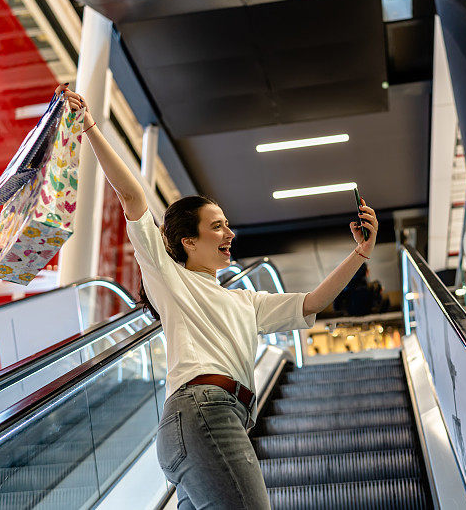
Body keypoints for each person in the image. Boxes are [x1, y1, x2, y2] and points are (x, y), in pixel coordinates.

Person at [56, 84, 379, 509]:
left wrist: (361, 252)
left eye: (228, 225)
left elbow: (313, 302)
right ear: (188, 241)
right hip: (205, 413)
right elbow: (132, 197)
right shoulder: (169, 277)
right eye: (218, 226)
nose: (230, 234)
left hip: (211, 423)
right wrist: (91, 127)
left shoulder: (245, 302)